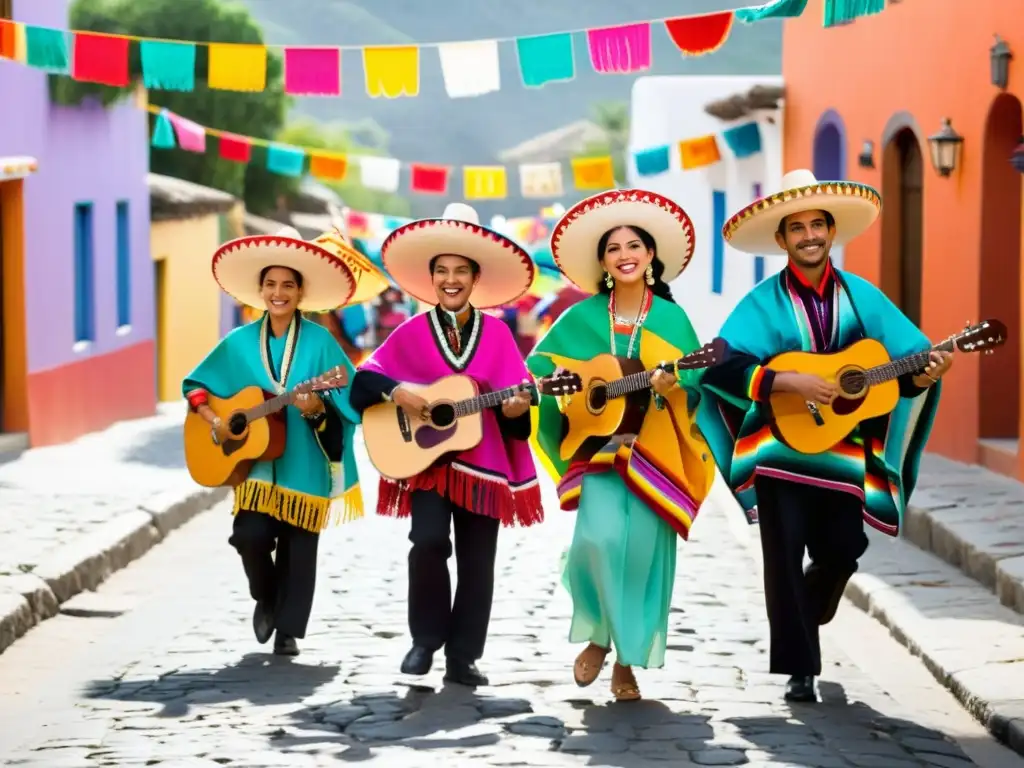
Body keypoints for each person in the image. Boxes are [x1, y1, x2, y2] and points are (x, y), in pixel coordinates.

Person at [697, 170, 953, 703]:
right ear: (781, 239)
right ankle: (800, 668)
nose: (809, 235)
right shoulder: (762, 303)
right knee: (784, 554)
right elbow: (719, 365)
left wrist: (926, 373)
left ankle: (807, 610)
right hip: (777, 449)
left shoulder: (863, 298)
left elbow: (903, 363)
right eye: (798, 228)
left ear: (831, 232)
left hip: (843, 451)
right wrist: (784, 379)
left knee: (844, 547)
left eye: (818, 225)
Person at [526, 189, 716, 701]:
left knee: (642, 558)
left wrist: (676, 387)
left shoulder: (673, 321)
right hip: (600, 453)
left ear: (651, 256)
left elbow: (700, 384)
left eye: (635, 244)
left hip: (658, 452)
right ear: (604, 262)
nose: (625, 253)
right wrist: (569, 382)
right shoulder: (583, 317)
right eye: (614, 248)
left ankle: (624, 659)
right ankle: (597, 632)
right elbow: (538, 372)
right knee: (597, 541)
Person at [349, 202, 544, 687]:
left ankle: (464, 656)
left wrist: (517, 409)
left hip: (485, 469)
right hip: (428, 464)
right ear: (431, 277)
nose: (451, 279)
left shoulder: (498, 334)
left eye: (461, 271)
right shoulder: (410, 333)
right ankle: (424, 639)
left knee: (479, 563)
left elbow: (517, 417)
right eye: (442, 271)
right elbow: (363, 383)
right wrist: (400, 392)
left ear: (475, 278)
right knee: (428, 542)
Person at [183, 226, 372, 657]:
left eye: (288, 284)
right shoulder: (239, 342)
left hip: (306, 462)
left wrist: (315, 410)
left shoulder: (322, 343)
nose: (278, 292)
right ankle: (265, 595)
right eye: (270, 284)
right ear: (260, 290)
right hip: (256, 468)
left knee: (299, 548)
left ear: (301, 291)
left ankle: (287, 629)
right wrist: (214, 419)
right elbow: (195, 384)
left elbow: (351, 399)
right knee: (249, 536)